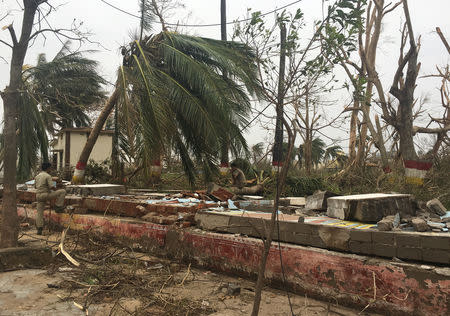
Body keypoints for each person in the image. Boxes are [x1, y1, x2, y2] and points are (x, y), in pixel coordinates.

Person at [35, 162, 66, 235]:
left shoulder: (37, 176)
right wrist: (57, 189)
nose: (51, 170)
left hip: (38, 195)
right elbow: (51, 186)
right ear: (48, 168)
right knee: (62, 191)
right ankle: (58, 207)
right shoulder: (48, 176)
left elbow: (35, 187)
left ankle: (39, 229)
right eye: (50, 168)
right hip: (45, 194)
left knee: (39, 213)